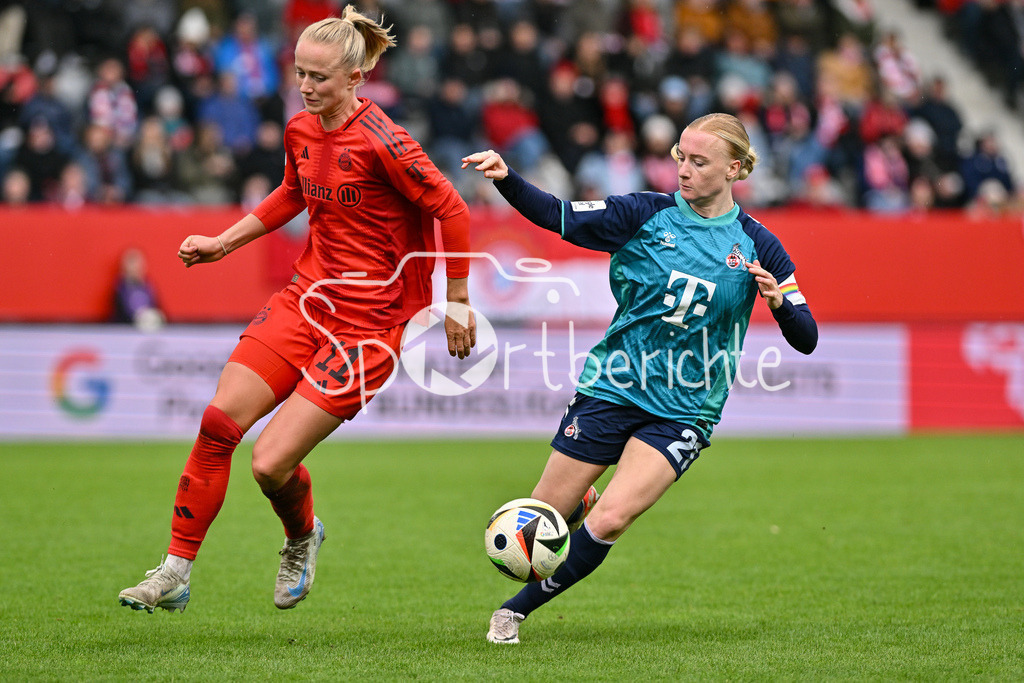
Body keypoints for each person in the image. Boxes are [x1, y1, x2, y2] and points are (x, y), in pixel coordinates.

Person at [118, 6, 476, 614]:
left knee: (269, 464)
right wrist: (221, 243)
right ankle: (175, 572)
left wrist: (459, 300)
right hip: (306, 301)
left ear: (355, 77)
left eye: (320, 78)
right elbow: (292, 193)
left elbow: (454, 210)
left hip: (370, 327)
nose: (306, 87)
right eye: (300, 74)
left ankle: (302, 535)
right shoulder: (300, 130)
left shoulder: (386, 140)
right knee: (218, 423)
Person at [462, 112, 818, 644]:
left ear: (736, 169)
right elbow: (557, 215)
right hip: (614, 386)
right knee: (540, 527)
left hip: (686, 408)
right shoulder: (642, 213)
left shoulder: (760, 246)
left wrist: (779, 304)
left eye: (700, 162)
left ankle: (511, 614)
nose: (684, 170)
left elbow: (807, 335)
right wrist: (506, 177)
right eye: (680, 156)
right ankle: (574, 501)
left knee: (610, 519)